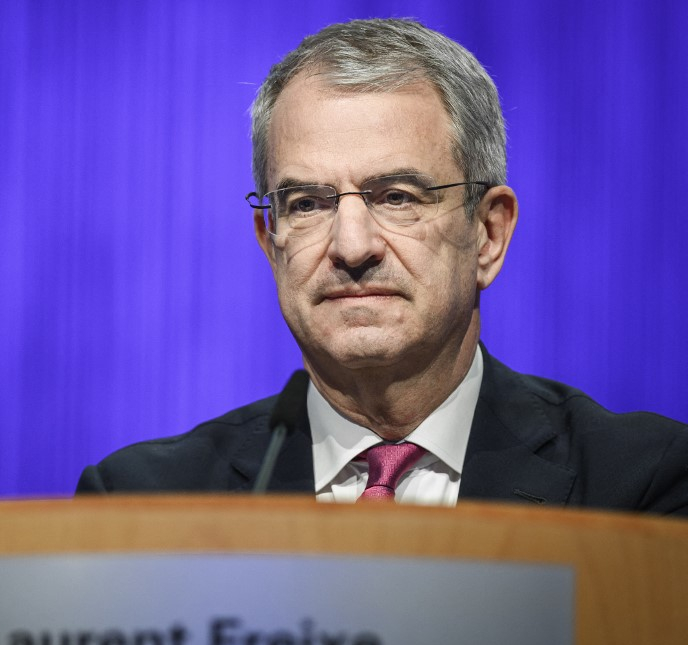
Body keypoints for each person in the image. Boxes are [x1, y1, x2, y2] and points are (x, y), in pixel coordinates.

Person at [76, 18, 688, 514]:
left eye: (397, 196)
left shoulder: (641, 487)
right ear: (270, 241)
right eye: (307, 204)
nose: (351, 246)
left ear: (488, 233)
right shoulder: (141, 505)